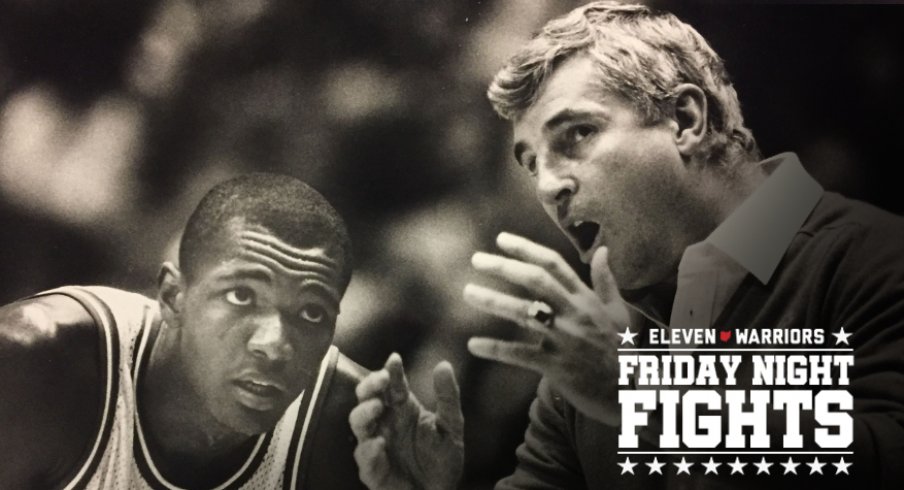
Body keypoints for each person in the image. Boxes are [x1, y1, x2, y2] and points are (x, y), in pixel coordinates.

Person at [350, 2, 904, 489]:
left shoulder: (880, 261)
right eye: (531, 162)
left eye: (577, 135)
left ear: (687, 120)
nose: (546, 186)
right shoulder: (596, 349)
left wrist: (646, 394)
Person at [0, 173, 373, 489]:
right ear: (172, 296)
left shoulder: (356, 426)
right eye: (242, 295)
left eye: (311, 312)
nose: (274, 346)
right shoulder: (33, 362)